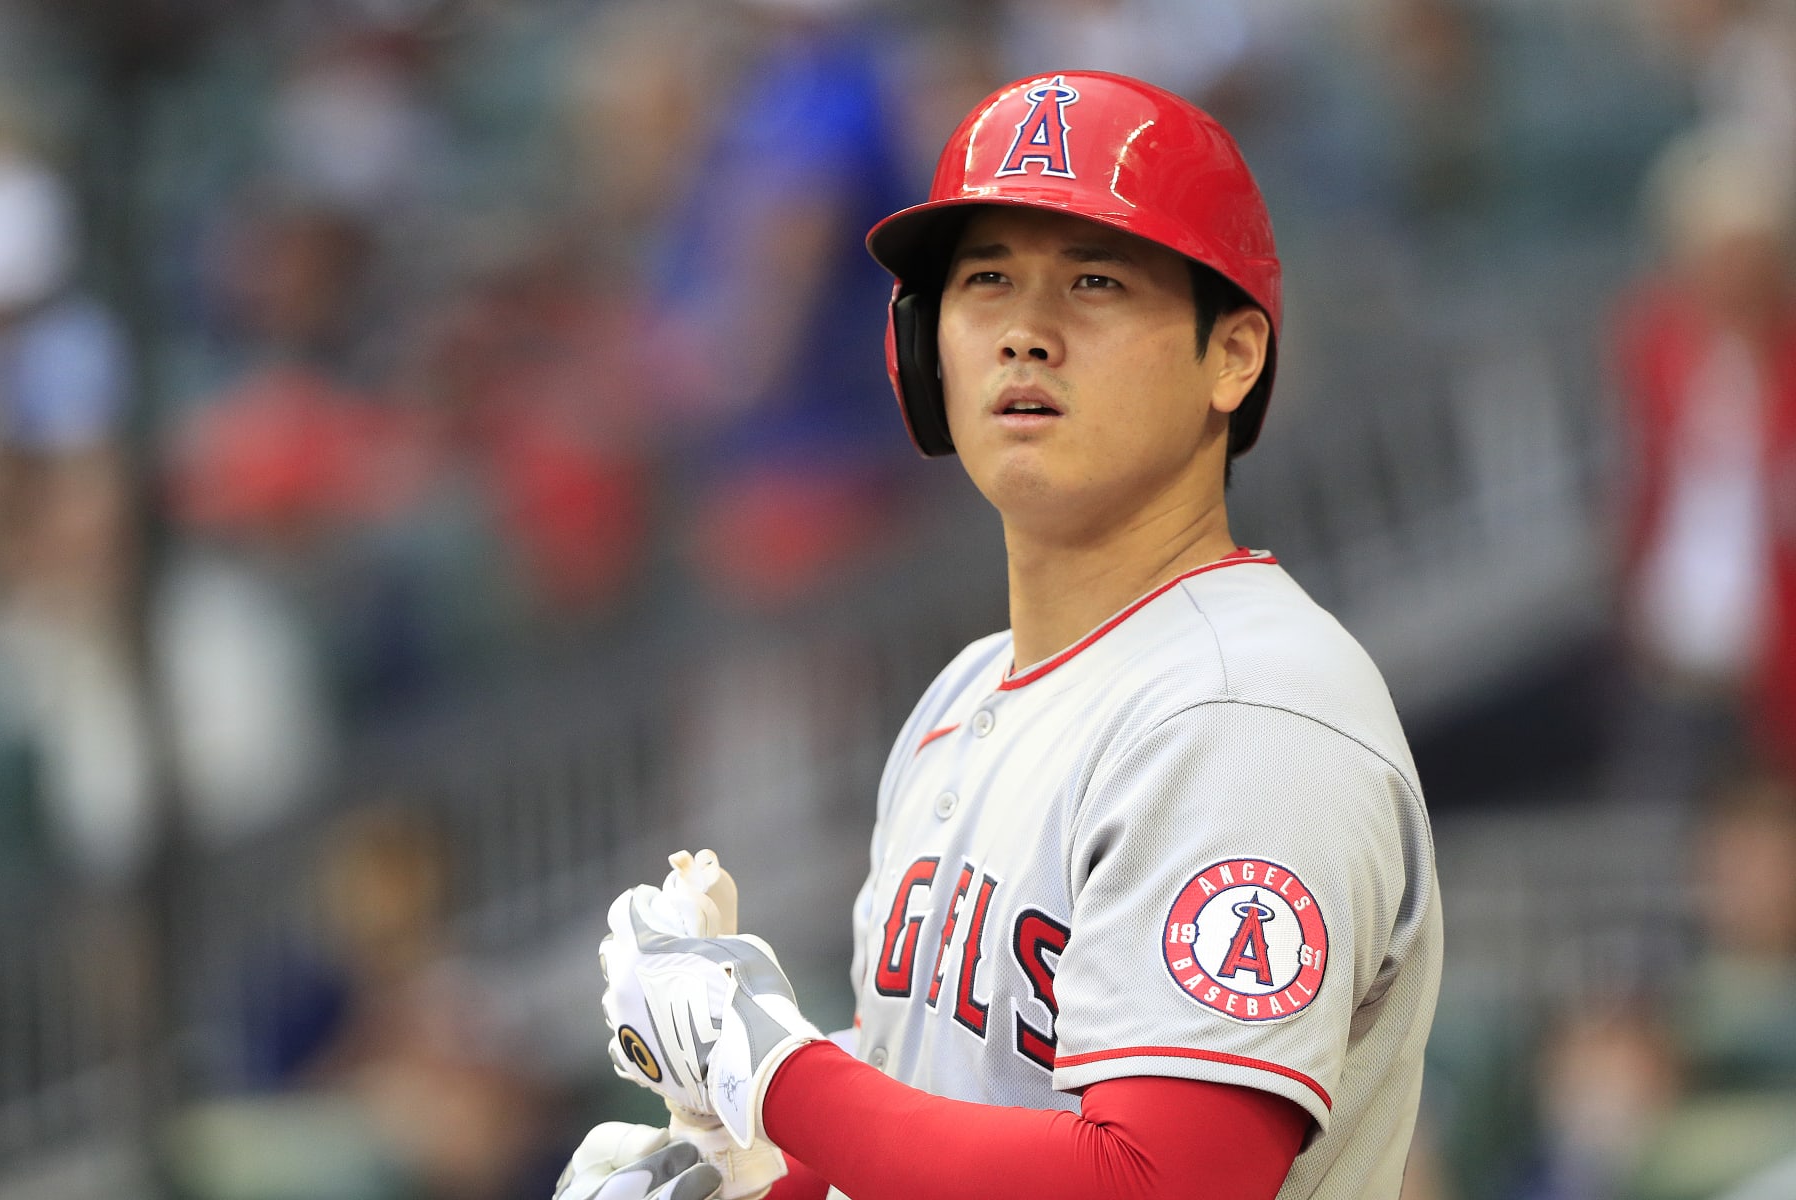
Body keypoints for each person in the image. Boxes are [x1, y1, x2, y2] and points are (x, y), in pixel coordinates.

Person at [566, 71, 1443, 1200]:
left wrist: (770, 1070)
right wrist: (756, 1175)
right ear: (924, 348)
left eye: (1094, 280)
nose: (1027, 332)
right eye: (987, 281)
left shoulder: (1243, 706)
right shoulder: (962, 699)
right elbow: (951, 1142)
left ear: (1233, 354)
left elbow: (1161, 1182)